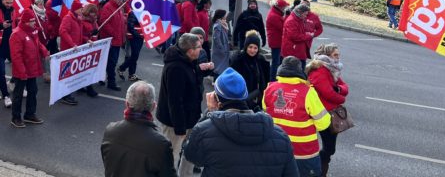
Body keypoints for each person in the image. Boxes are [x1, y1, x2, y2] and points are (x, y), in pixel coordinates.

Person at [183, 68, 298, 176]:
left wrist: (209, 113)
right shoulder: (281, 136)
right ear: (245, 95)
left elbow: (191, 155)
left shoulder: (204, 132)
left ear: (216, 98)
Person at [264, 56, 331, 176]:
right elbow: (324, 123)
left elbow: (267, 115)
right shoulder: (308, 92)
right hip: (303, 152)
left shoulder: (269, 88)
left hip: (275, 148)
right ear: (299, 71)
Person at [101, 81, 177, 177]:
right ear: (153, 107)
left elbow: (107, 163)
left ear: (127, 104)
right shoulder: (161, 144)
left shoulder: (110, 130)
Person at [156, 33, 208, 170]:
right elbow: (175, 101)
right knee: (172, 157)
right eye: (199, 47)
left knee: (190, 153)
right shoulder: (175, 68)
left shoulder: (189, 60)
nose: (201, 49)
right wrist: (180, 128)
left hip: (189, 118)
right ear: (190, 50)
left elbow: (192, 81)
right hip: (175, 123)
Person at [306, 44, 349, 176]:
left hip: (330, 112)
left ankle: (319, 170)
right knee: (329, 148)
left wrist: (339, 89)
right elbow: (328, 93)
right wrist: (342, 98)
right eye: (335, 55)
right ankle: (318, 171)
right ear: (327, 56)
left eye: (338, 54)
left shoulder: (331, 68)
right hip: (324, 114)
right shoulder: (320, 70)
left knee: (329, 148)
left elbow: (344, 86)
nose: (338, 57)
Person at [9, 8, 49, 128]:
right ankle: (16, 117)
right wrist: (22, 72)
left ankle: (30, 114)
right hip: (22, 71)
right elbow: (16, 56)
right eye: (32, 21)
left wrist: (44, 51)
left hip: (32, 68)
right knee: (18, 94)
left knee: (33, 91)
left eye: (34, 20)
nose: (34, 23)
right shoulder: (16, 34)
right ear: (25, 22)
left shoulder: (33, 31)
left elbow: (37, 43)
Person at [230, 31, 270, 111]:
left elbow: (266, 79)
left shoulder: (261, 60)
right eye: (250, 47)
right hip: (242, 99)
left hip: (257, 98)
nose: (252, 50)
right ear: (246, 46)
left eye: (255, 48)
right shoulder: (238, 60)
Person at [99, 0, 127, 91]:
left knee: (110, 61)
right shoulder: (108, 7)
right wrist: (114, 34)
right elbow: (104, 22)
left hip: (117, 40)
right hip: (111, 40)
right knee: (111, 62)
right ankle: (111, 82)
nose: (121, 1)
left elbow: (120, 23)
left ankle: (103, 78)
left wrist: (122, 36)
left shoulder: (118, 8)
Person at [266, 0, 290, 81]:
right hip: (276, 42)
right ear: (280, 7)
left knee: (278, 61)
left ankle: (275, 77)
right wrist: (287, 16)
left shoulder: (276, 13)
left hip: (277, 41)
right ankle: (273, 79)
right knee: (276, 62)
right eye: (284, 7)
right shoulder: (274, 16)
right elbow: (283, 27)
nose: (285, 8)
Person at [117, 11, 143, 82]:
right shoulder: (134, 12)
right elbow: (130, 25)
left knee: (135, 56)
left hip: (140, 36)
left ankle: (131, 74)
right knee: (134, 55)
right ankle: (122, 68)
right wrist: (137, 35)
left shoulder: (144, 11)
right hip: (134, 36)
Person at [210, 9, 230, 77]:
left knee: (221, 66)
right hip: (219, 51)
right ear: (221, 15)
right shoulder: (218, 25)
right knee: (219, 66)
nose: (226, 16)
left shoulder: (222, 23)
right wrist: (221, 48)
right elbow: (217, 38)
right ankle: (217, 79)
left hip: (223, 49)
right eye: (225, 14)